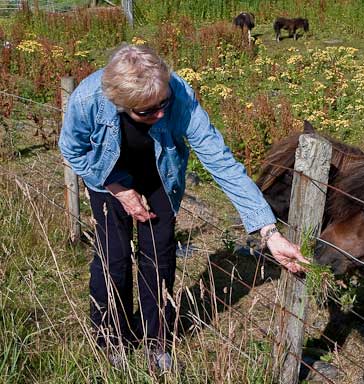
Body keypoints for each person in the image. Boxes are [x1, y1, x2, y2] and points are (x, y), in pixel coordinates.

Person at [58, 43, 308, 371]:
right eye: (146, 111)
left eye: (163, 103)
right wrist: (119, 189)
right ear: (121, 103)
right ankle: (112, 337)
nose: (160, 114)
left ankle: (156, 339)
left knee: (159, 258)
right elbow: (71, 149)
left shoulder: (180, 95)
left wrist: (269, 231)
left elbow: (220, 160)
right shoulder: (90, 99)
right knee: (113, 260)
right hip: (108, 178)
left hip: (160, 176)